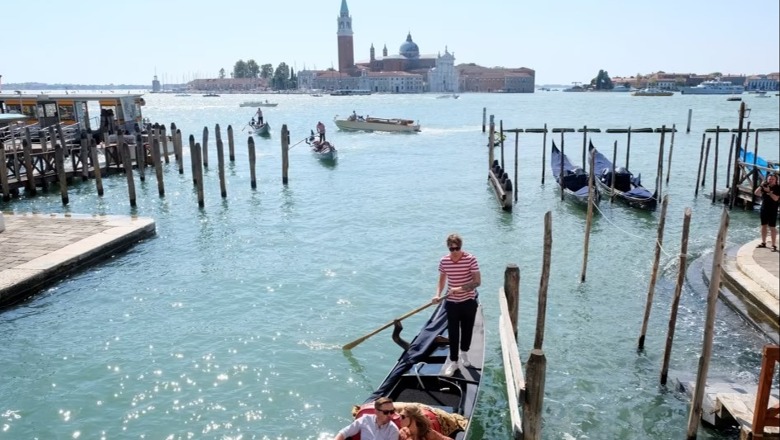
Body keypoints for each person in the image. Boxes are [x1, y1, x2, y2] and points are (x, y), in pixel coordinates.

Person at [432, 233, 480, 377]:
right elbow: (441, 280)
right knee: (453, 333)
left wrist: (458, 289)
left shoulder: (471, 259)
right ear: (448, 248)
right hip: (451, 303)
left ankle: (464, 352)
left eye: (456, 248)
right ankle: (453, 362)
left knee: (467, 330)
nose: (454, 252)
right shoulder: (444, 261)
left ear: (461, 246)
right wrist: (438, 295)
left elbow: (477, 282)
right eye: (451, 249)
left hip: (468, 301)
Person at [333, 397, 399, 440]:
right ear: (376, 411)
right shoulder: (365, 419)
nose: (390, 415)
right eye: (386, 412)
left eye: (392, 411)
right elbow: (344, 433)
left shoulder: (393, 430)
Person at [754, 173, 780, 252]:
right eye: (769, 179)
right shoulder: (765, 186)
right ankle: (763, 242)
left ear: (776, 180)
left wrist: (769, 192)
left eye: (772, 179)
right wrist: (761, 186)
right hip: (764, 208)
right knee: (763, 226)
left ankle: (773, 245)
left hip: (773, 209)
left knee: (772, 227)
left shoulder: (778, 188)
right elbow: (756, 193)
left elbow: (776, 199)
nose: (770, 181)